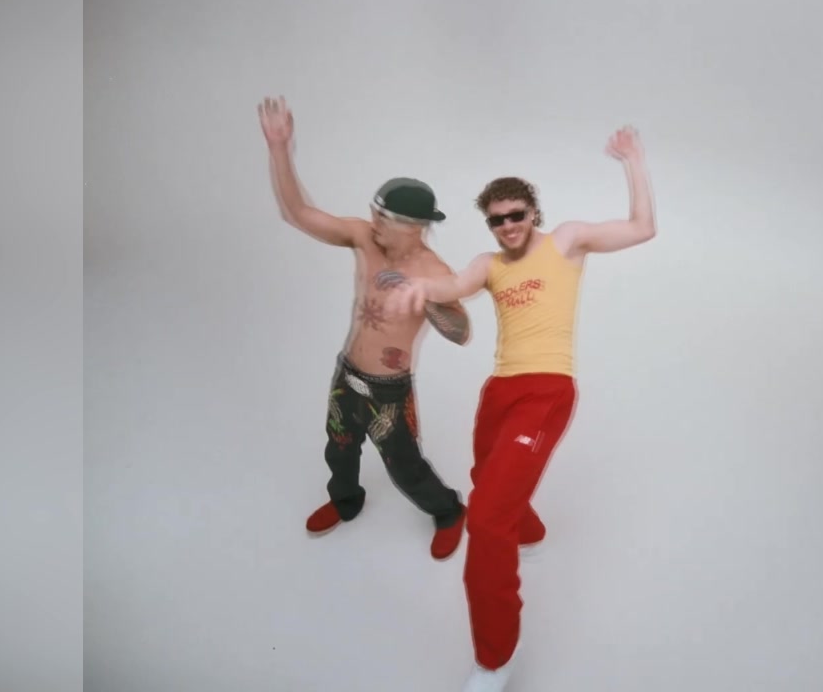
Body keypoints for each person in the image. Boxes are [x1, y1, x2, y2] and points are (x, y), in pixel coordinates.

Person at [386, 126, 657, 691]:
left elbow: (642, 227)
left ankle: (495, 660)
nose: (508, 226)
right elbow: (453, 286)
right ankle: (528, 531)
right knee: (486, 475)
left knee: (486, 520)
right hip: (500, 391)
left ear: (534, 212)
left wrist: (633, 160)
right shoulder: (489, 263)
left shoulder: (567, 241)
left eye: (516, 215)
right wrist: (418, 289)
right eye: (497, 219)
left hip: (547, 391)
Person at [258, 96, 470, 560]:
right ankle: (346, 501)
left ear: (414, 227)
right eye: (373, 211)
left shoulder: (433, 270)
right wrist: (279, 149)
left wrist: (426, 296)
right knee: (339, 447)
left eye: (383, 218)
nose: (372, 221)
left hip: (388, 389)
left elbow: (461, 332)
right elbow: (297, 214)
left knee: (404, 466)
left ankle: (449, 511)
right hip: (346, 373)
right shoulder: (362, 236)